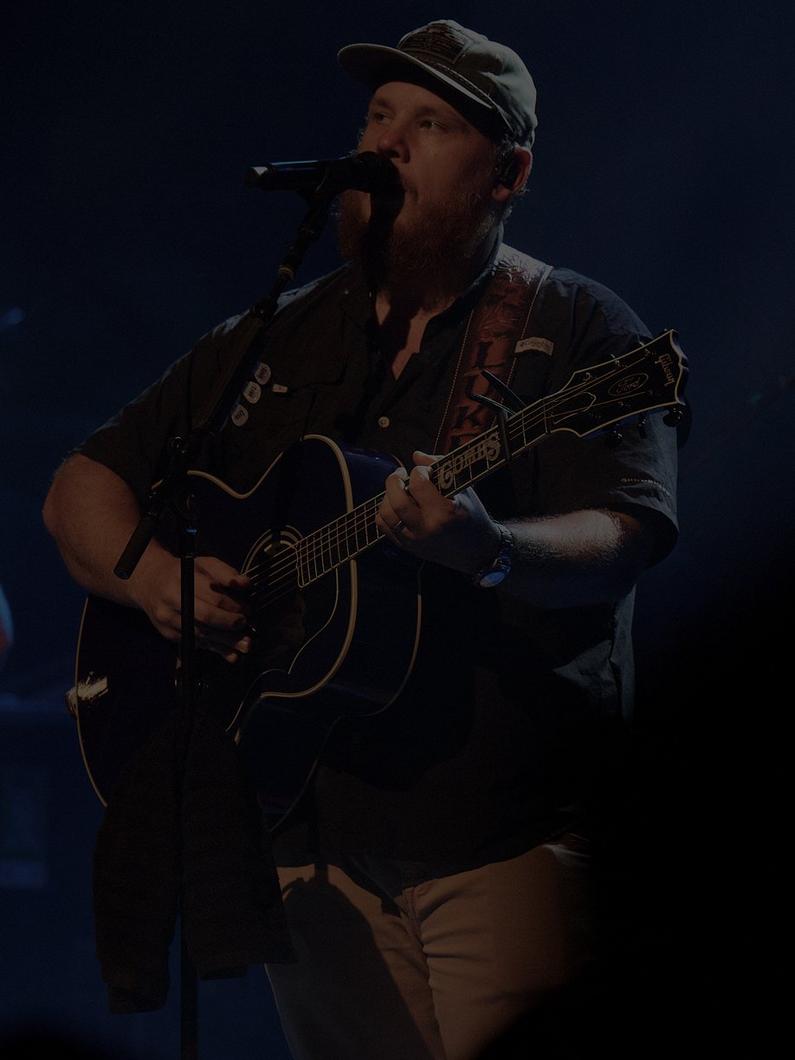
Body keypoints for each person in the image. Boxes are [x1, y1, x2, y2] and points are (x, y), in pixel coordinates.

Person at [43, 19, 679, 1060]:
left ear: (507, 173)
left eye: (430, 123)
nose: (389, 142)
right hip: (308, 834)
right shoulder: (279, 331)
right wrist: (159, 581)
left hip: (500, 833)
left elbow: (627, 530)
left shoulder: (578, 329)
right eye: (380, 115)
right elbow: (82, 482)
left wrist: (488, 547)